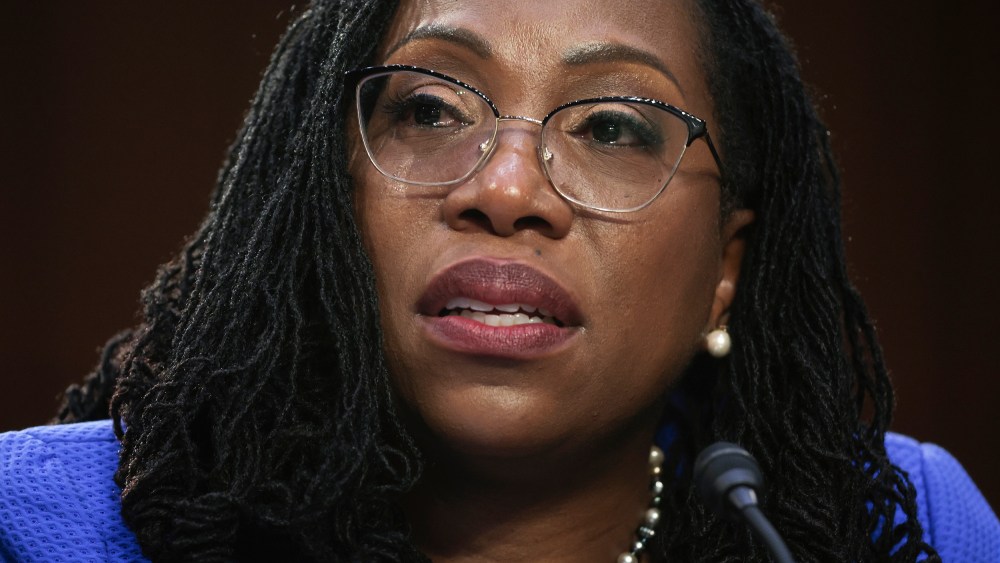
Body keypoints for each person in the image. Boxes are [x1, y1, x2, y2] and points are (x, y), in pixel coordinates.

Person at [1, 0, 997, 561]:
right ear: (321, 197)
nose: (506, 187)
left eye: (612, 127)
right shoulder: (38, 525)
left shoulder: (907, 531)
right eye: (431, 109)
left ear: (724, 274)